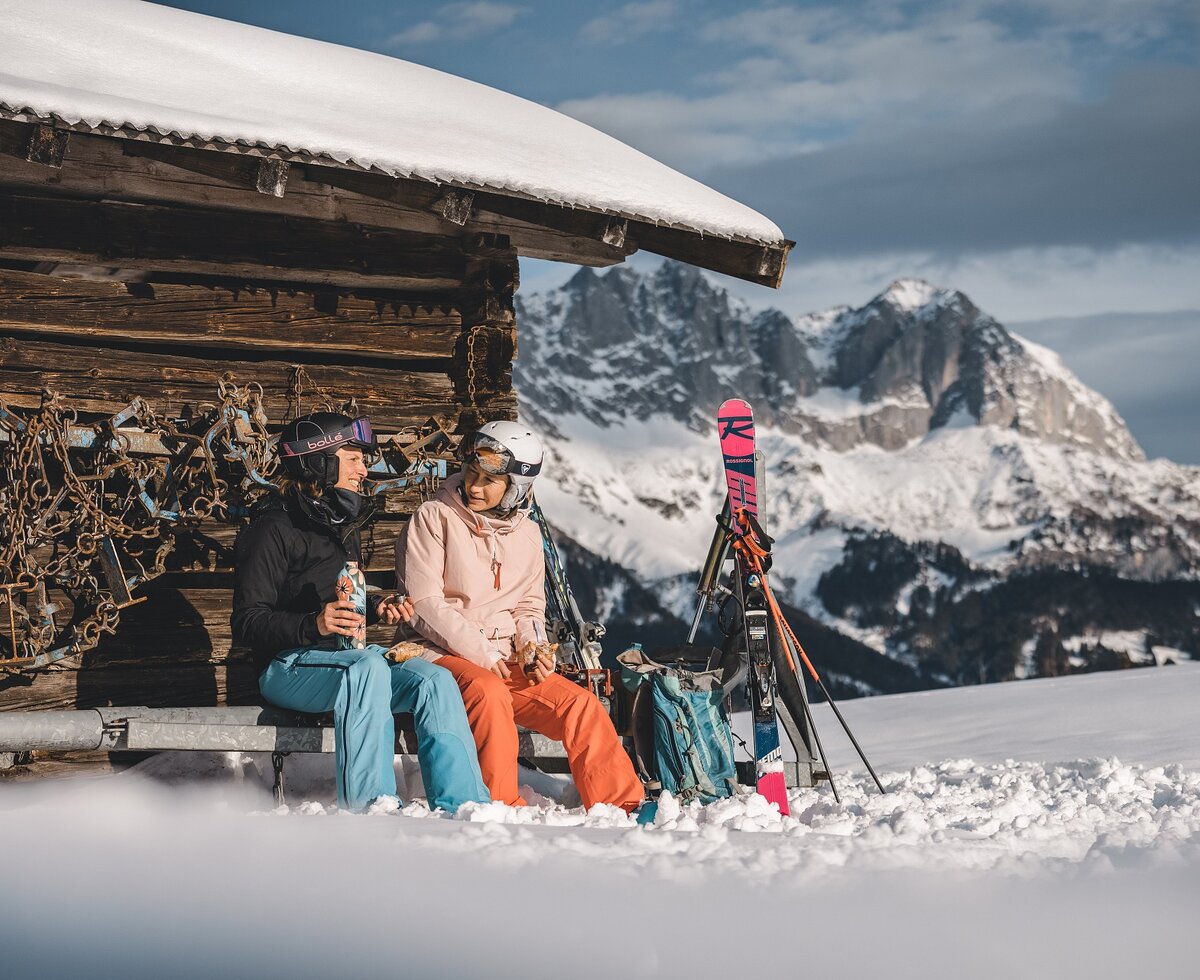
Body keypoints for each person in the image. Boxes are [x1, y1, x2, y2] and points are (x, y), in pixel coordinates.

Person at [231, 411, 489, 813]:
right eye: (353, 459)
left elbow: (342, 598)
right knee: (367, 667)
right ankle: (373, 805)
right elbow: (247, 622)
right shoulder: (273, 529)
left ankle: (465, 806)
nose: (364, 470)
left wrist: (376, 606)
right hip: (286, 668)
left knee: (433, 680)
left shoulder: (339, 525)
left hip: (345, 662)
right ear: (318, 462)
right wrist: (313, 624)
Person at [394, 421, 644, 812]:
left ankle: (621, 806)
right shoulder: (434, 518)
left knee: (580, 706)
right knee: (489, 693)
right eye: (471, 474)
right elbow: (424, 603)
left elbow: (528, 607)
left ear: (516, 487)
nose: (474, 487)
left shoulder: (527, 535)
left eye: (488, 481)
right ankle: (501, 806)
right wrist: (483, 653)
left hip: (503, 660)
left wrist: (533, 648)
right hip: (439, 655)